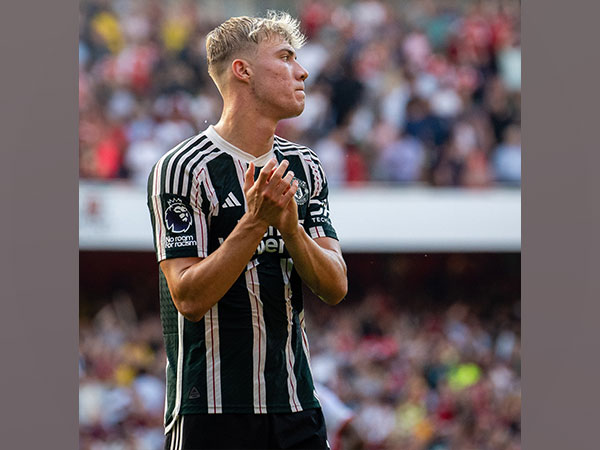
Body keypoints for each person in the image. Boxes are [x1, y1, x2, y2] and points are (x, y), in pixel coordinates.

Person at [147, 11, 348, 450]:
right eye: (286, 57)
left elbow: (335, 286)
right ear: (243, 70)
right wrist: (255, 222)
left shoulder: (305, 166)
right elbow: (189, 297)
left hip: (296, 407)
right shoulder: (183, 170)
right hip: (211, 413)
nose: (303, 70)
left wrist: (292, 231)